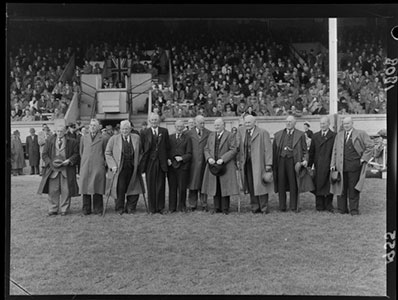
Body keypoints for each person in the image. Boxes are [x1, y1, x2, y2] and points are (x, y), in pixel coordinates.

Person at [330, 116, 374, 215]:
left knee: (353, 188)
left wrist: (363, 158)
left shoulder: (361, 133)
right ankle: (342, 209)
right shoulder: (339, 135)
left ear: (352, 123)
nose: (346, 126)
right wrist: (333, 164)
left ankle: (354, 210)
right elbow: (335, 151)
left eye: (348, 124)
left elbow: (370, 146)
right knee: (341, 188)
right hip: (341, 167)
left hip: (355, 166)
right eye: (344, 124)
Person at [37, 122, 80, 216]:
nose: (59, 133)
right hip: (53, 171)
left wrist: (69, 160)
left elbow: (76, 155)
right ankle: (53, 209)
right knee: (53, 190)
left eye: (61, 131)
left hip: (66, 170)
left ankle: (64, 209)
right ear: (55, 131)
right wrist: (50, 163)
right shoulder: (49, 141)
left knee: (66, 190)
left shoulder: (73, 141)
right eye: (57, 131)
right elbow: (44, 155)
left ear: (65, 132)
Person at [201, 118, 239, 214]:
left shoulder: (230, 135)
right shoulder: (211, 135)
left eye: (218, 125)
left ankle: (225, 208)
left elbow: (234, 149)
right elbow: (206, 149)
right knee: (215, 186)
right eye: (215, 125)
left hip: (225, 165)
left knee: (225, 187)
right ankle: (216, 207)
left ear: (223, 125)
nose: (216, 127)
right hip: (213, 165)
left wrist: (223, 159)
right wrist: (209, 158)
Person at [105, 120, 143, 215]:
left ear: (130, 129)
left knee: (133, 187)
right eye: (122, 129)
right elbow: (108, 153)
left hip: (132, 167)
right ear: (120, 129)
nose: (124, 131)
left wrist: (138, 162)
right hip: (119, 168)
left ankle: (131, 207)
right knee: (119, 188)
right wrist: (112, 165)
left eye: (126, 129)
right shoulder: (114, 139)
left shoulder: (136, 138)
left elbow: (141, 152)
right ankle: (119, 208)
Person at [237, 115, 273, 214]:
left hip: (259, 163)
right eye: (246, 122)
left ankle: (264, 207)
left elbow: (268, 149)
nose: (247, 124)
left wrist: (268, 164)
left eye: (249, 122)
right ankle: (255, 207)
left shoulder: (263, 132)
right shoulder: (242, 132)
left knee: (261, 185)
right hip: (247, 163)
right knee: (251, 185)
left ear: (254, 122)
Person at [273, 115, 308, 212]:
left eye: (290, 122)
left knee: (293, 183)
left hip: (293, 161)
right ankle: (282, 206)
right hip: (281, 161)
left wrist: (305, 160)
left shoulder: (300, 135)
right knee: (281, 183)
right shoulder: (278, 134)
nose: (288, 123)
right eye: (287, 121)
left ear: (295, 123)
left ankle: (293, 206)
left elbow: (305, 150)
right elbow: (274, 151)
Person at [140, 113, 170, 214]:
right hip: (150, 162)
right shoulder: (144, 132)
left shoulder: (164, 131)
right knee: (151, 184)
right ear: (149, 121)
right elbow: (142, 148)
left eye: (156, 120)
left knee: (161, 184)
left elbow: (167, 147)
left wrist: (168, 159)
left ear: (159, 121)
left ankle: (160, 207)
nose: (154, 122)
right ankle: (152, 208)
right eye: (152, 120)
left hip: (161, 161)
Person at [79, 119, 110, 215]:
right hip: (86, 165)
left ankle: (98, 209)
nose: (92, 127)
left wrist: (103, 163)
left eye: (94, 125)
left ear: (99, 127)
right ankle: (86, 209)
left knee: (98, 187)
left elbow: (106, 152)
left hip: (98, 166)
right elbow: (81, 151)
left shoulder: (104, 138)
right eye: (91, 125)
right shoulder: (84, 138)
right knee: (85, 187)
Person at [308, 116, 336, 212]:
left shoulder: (334, 136)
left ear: (328, 124)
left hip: (329, 164)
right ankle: (319, 205)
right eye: (321, 124)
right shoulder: (315, 136)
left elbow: (335, 151)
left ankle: (329, 205)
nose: (322, 125)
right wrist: (309, 165)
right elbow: (311, 152)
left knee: (329, 185)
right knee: (318, 184)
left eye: (324, 123)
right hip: (318, 165)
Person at [167, 119, 193, 213]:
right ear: (175, 127)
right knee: (172, 188)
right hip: (172, 167)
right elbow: (166, 151)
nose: (179, 128)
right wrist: (168, 159)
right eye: (177, 127)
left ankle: (182, 206)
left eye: (181, 127)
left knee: (182, 188)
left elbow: (190, 153)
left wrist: (182, 158)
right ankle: (172, 208)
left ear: (183, 128)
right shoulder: (170, 138)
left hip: (183, 167)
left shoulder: (187, 138)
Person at [187, 115, 211, 212]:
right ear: (195, 123)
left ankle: (204, 203)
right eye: (200, 123)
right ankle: (192, 204)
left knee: (203, 184)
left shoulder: (209, 133)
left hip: (204, 163)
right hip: (192, 163)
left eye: (203, 123)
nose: (202, 125)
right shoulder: (189, 133)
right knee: (192, 184)